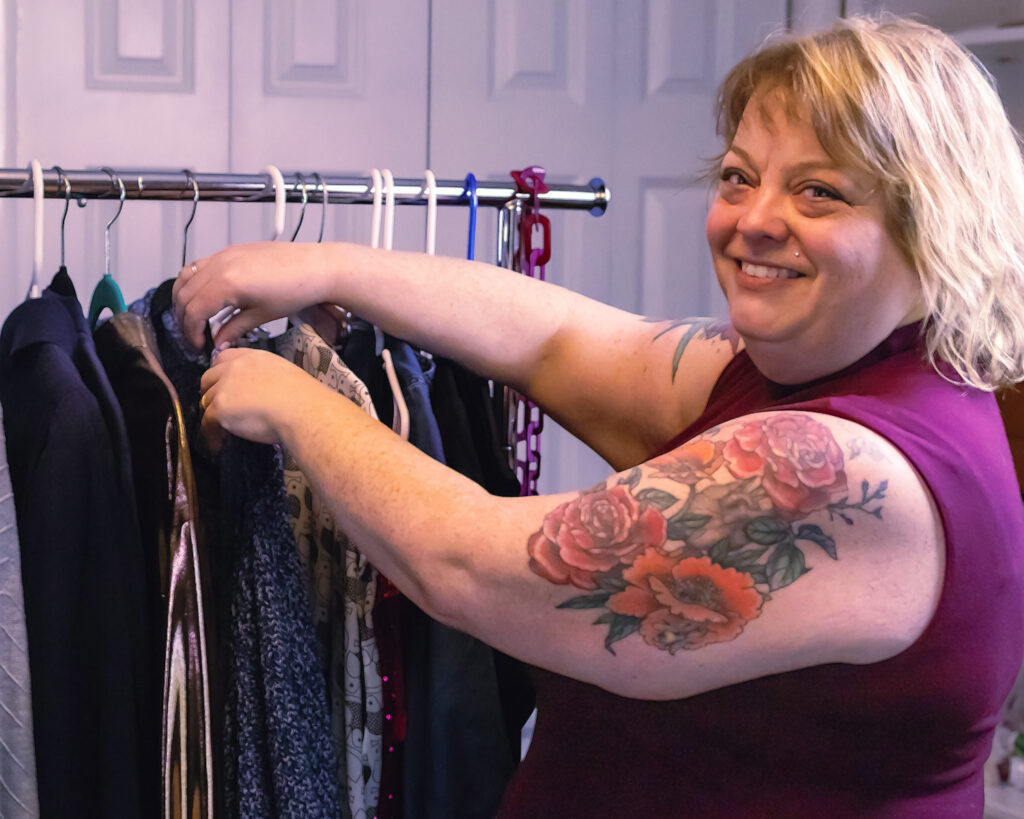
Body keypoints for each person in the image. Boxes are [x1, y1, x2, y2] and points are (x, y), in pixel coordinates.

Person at [173, 14, 1024, 818]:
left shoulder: (842, 470)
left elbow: (467, 563)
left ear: (930, 226)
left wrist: (296, 404)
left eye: (819, 193)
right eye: (739, 176)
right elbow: (557, 338)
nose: (755, 221)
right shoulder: (802, 372)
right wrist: (323, 266)